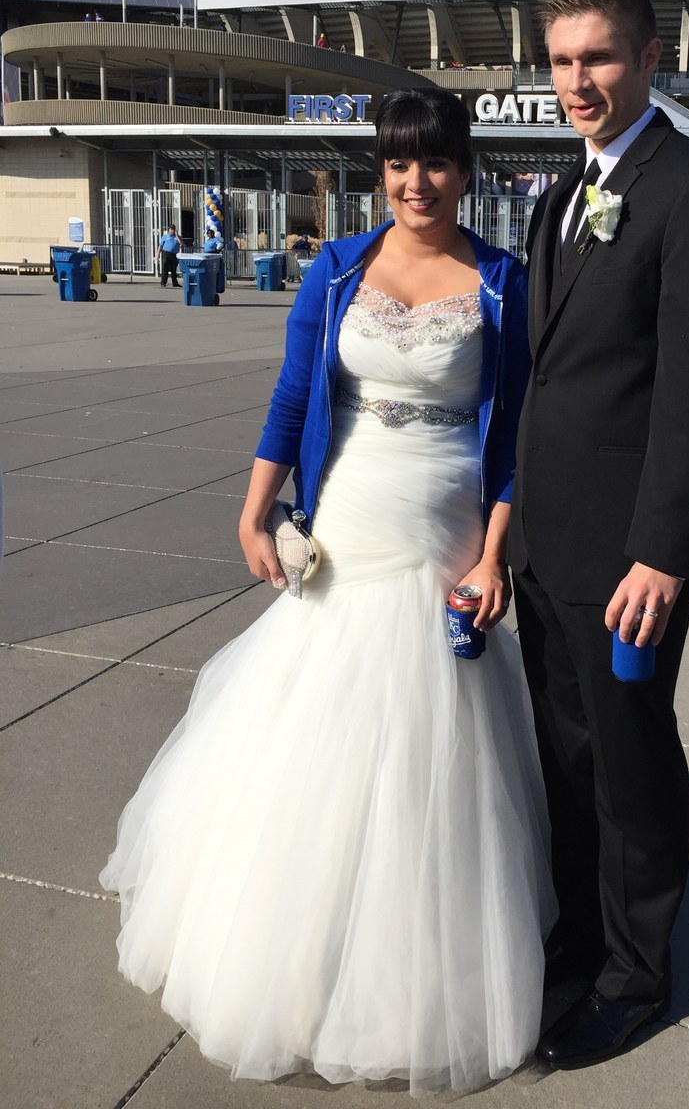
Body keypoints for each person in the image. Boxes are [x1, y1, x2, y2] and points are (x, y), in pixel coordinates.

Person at [100, 88, 555, 1093]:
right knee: (319, 730)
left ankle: (410, 962)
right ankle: (298, 947)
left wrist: (493, 557)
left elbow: (516, 433)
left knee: (432, 748)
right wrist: (254, 509)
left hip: (442, 527)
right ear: (379, 170)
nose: (414, 182)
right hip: (346, 518)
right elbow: (297, 393)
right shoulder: (342, 266)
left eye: (434, 163)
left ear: (466, 169)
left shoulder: (503, 282)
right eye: (397, 163)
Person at [507, 0, 689, 1069]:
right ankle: (579, 939)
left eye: (599, 58)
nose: (579, 81)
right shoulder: (558, 195)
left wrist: (664, 548)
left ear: (651, 59)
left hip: (627, 558)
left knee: (631, 765)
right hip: (545, 547)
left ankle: (637, 975)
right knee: (565, 758)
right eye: (562, 61)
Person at [157, 224, 181, 288]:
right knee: (165, 268)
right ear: (169, 230)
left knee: (174, 269)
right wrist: (158, 254)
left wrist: (177, 235)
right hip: (166, 253)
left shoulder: (177, 237)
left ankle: (175, 283)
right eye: (171, 229)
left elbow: (181, 243)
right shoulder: (165, 237)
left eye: (173, 229)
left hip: (174, 254)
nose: (172, 231)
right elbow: (160, 246)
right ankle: (163, 282)